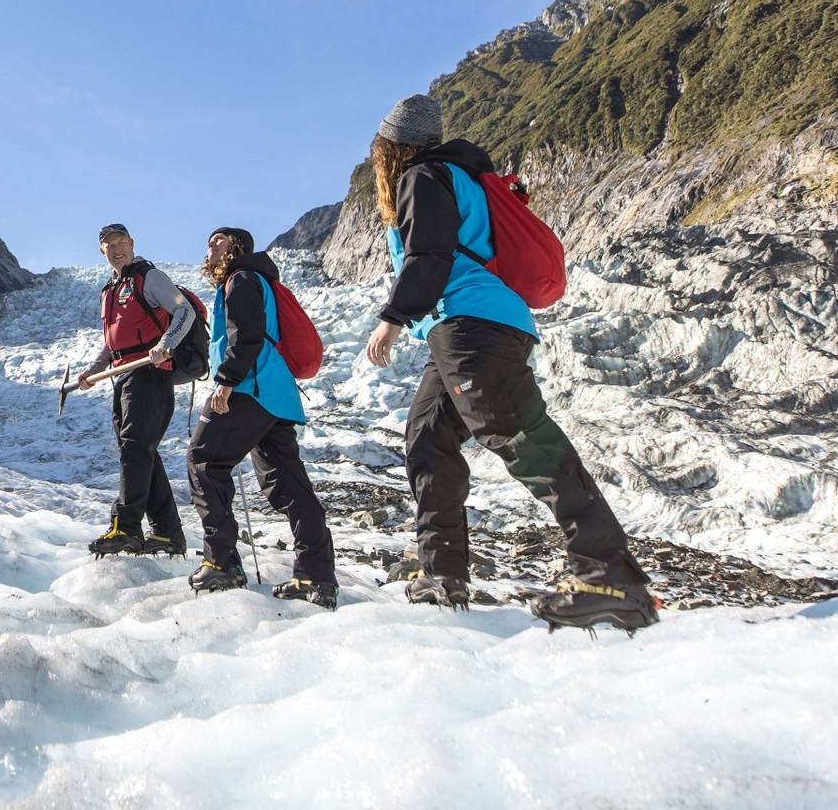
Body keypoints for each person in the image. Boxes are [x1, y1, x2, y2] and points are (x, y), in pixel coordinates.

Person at [363, 94, 657, 631]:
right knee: (428, 437)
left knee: (519, 435)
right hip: (471, 325)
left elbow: (429, 256)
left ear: (391, 148)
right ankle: (442, 573)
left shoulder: (425, 177)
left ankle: (608, 573)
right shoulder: (458, 177)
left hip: (472, 324)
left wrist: (393, 317)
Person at [184, 228, 337, 606]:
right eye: (209, 241)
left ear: (236, 247)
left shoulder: (241, 279)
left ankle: (221, 562)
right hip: (275, 395)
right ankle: (315, 576)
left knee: (203, 459)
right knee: (287, 484)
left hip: (249, 389)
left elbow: (246, 336)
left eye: (218, 240)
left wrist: (226, 382)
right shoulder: (257, 279)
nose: (210, 246)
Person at [77, 223, 193, 557]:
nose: (116, 249)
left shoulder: (148, 277)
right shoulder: (110, 289)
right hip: (124, 375)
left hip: (150, 372)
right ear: (102, 251)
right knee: (141, 451)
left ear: (132, 243)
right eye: (109, 245)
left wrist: (166, 344)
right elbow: (114, 342)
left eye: (121, 242)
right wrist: (95, 370)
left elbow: (182, 309)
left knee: (134, 447)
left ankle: (126, 527)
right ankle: (168, 532)